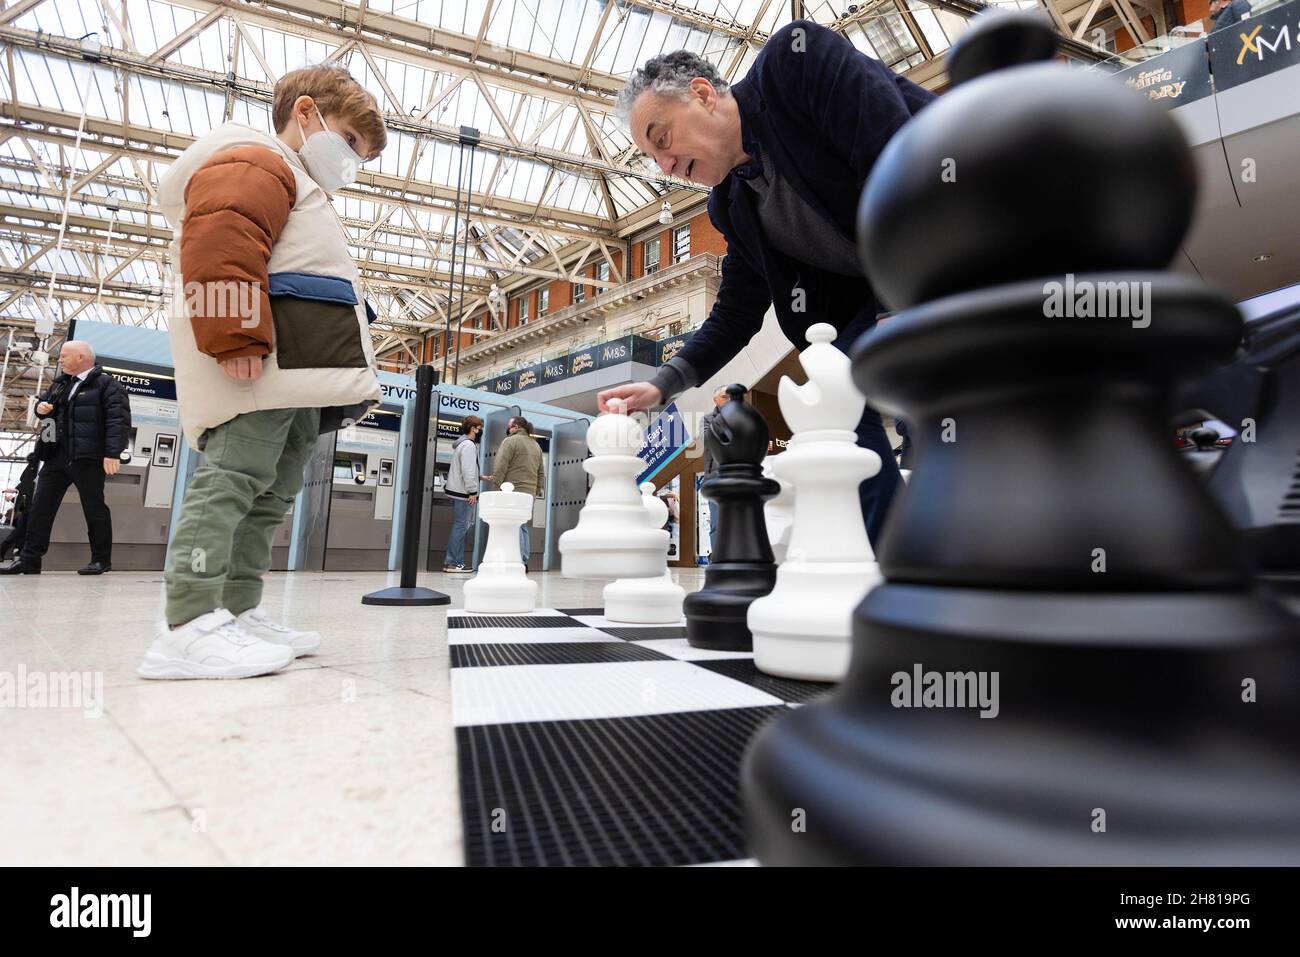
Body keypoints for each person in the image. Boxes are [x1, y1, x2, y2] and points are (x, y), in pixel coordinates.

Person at [597, 19, 933, 545]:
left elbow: (895, 154)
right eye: (652, 158)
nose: (664, 165)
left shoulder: (794, 65)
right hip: (878, 301)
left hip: (959, 233)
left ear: (703, 95)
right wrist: (663, 383)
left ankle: (974, 553)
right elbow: (736, 310)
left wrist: (900, 301)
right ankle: (892, 557)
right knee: (831, 404)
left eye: (662, 139)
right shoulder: (730, 205)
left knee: (931, 403)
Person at [136, 64, 387, 680]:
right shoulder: (253, 160)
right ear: (306, 113)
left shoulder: (297, 179)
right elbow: (222, 241)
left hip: (294, 370)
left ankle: (235, 608)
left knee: (271, 490)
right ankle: (187, 623)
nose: (354, 160)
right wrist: (233, 336)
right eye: (351, 141)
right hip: (258, 360)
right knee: (232, 480)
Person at [1, 341, 131, 575]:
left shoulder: (107, 385)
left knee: (94, 509)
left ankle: (101, 560)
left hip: (88, 458)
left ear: (81, 358)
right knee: (40, 508)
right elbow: (46, 408)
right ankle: (30, 559)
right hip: (56, 456)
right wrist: (40, 408)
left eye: (64, 356)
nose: (59, 360)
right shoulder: (60, 384)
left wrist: (113, 453)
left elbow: (118, 421)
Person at [491, 416, 545, 565]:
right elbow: (541, 472)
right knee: (523, 525)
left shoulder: (509, 441)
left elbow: (501, 465)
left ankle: (517, 560)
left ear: (515, 427)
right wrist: (536, 491)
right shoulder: (536, 445)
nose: (508, 429)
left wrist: (496, 486)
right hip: (529, 493)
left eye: (509, 426)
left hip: (512, 490)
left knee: (514, 525)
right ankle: (524, 560)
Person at [443, 414, 486, 573]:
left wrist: (480, 476)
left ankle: (457, 562)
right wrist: (473, 491)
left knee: (460, 527)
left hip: (457, 491)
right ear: (472, 428)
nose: (480, 430)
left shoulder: (462, 444)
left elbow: (466, 469)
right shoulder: (469, 445)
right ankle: (452, 563)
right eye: (479, 427)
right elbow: (467, 471)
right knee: (460, 527)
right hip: (464, 493)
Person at [697, 386, 727, 550]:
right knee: (717, 522)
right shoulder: (707, 419)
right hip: (715, 479)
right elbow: (707, 439)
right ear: (715, 400)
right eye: (724, 397)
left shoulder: (741, 418)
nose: (729, 400)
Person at [0, 453, 40, 561]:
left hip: (27, 506)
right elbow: (26, 486)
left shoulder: (31, 469)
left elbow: (24, 485)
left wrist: (14, 493)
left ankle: (7, 550)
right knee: (23, 531)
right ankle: (5, 549)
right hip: (31, 507)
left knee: (22, 531)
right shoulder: (35, 469)